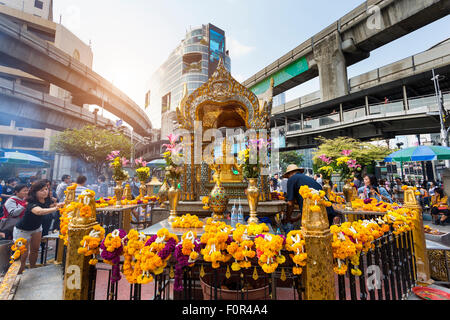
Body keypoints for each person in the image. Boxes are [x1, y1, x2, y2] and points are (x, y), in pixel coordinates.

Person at [13, 180, 64, 274]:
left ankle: (33, 270)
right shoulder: (30, 202)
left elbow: (51, 205)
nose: (45, 191)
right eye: (41, 190)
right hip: (22, 230)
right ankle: (19, 275)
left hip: (37, 228)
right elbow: (39, 211)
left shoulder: (47, 199)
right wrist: (56, 208)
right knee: (22, 254)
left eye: (46, 189)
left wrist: (59, 204)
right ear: (35, 192)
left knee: (35, 250)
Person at [282, 164, 338, 233]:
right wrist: (296, 218)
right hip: (327, 213)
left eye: (287, 177)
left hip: (315, 217)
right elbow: (308, 204)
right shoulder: (307, 178)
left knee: (313, 239)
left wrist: (287, 218)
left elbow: (290, 203)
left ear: (289, 174)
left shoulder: (292, 179)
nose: (288, 178)